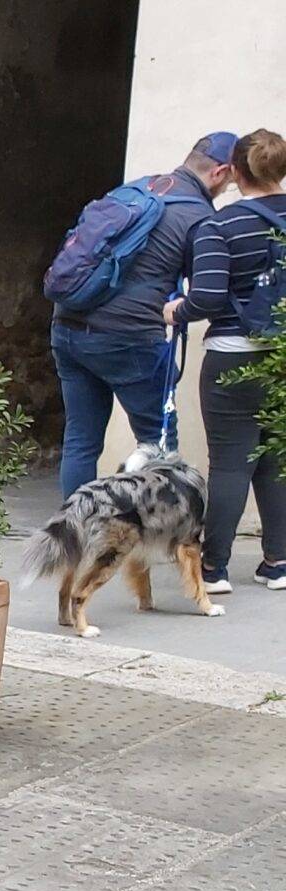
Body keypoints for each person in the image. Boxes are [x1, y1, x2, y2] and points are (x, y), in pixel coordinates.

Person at [52, 132, 236, 496]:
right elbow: (206, 291)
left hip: (67, 325)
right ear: (219, 172)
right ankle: (163, 528)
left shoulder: (137, 188)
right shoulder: (199, 217)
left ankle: (74, 529)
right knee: (159, 444)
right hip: (129, 339)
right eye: (229, 181)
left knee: (80, 441)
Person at [169, 128, 286, 590]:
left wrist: (176, 310)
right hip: (283, 358)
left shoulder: (219, 226)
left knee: (231, 463)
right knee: (276, 457)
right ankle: (278, 562)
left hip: (234, 357)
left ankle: (214, 568)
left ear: (234, 171)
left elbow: (208, 298)